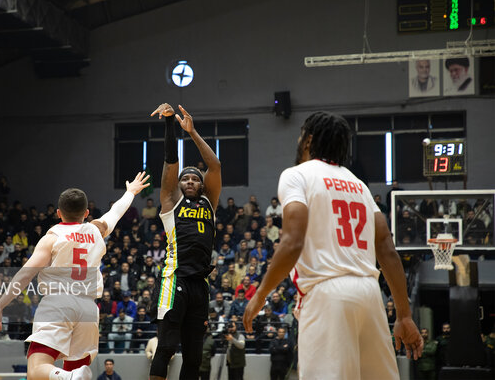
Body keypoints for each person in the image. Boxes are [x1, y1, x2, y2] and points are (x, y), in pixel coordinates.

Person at [243, 111, 423, 380]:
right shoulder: (359, 185)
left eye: (300, 136)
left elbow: (292, 242)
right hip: (370, 294)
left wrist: (260, 294)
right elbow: (387, 249)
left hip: (327, 294)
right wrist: (404, 315)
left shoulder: (297, 175)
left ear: (308, 140)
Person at [0, 172, 150, 380]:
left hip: (58, 304)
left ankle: (65, 376)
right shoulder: (96, 230)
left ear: (58, 213)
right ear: (86, 213)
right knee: (75, 371)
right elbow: (115, 211)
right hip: (88, 309)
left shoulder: (52, 238)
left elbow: (25, 274)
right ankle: (69, 376)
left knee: (36, 370)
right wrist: (130, 192)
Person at [148, 104, 221, 380]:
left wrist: (192, 132)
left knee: (194, 357)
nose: (190, 181)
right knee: (166, 347)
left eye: (195, 179)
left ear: (202, 185)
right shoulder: (171, 201)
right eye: (185, 179)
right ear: (178, 185)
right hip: (174, 279)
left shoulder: (209, 202)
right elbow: (170, 162)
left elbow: (215, 166)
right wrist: (170, 124)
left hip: (200, 284)